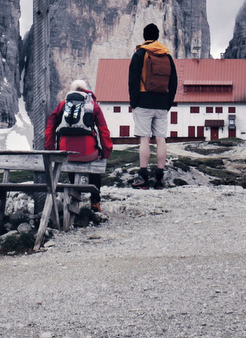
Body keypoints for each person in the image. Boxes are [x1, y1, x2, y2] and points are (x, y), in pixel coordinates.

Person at [45, 79, 113, 211]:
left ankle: (74, 197)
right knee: (95, 169)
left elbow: (50, 128)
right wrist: (106, 152)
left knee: (70, 163)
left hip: (67, 153)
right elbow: (103, 130)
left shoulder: (62, 105)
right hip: (88, 153)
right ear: (85, 89)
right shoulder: (93, 106)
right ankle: (95, 202)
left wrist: (51, 149)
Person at [128, 23, 178, 189]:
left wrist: (134, 102)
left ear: (144, 36)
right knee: (160, 138)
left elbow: (133, 81)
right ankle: (160, 177)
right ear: (157, 36)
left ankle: (143, 177)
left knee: (144, 138)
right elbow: (174, 82)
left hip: (143, 101)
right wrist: (167, 103)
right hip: (162, 103)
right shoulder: (167, 56)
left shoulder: (140, 54)